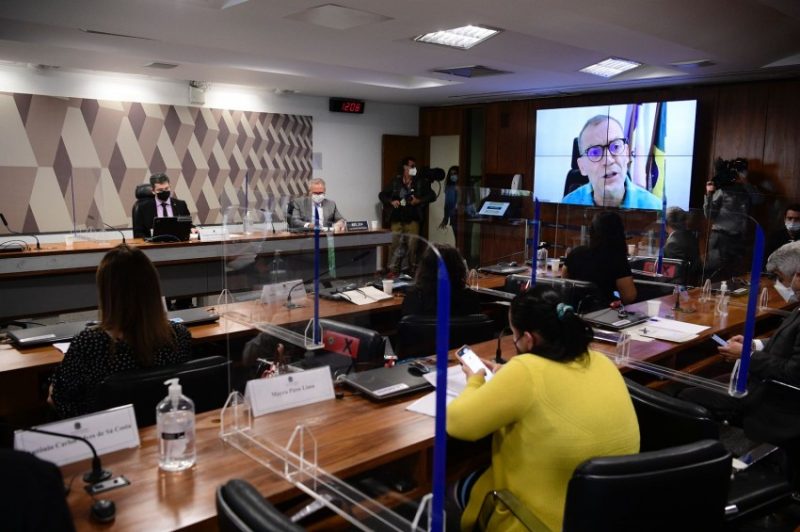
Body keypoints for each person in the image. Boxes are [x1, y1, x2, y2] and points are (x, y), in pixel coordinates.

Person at [447, 286, 639, 531]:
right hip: (605, 516)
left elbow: (458, 423)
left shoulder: (526, 371)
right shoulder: (601, 361)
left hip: (537, 522)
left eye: (514, 336)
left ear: (528, 339)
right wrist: (507, 374)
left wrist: (475, 377)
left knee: (448, 491)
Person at [48, 244, 192, 418]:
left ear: (106, 293)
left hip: (106, 437)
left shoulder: (89, 343)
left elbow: (57, 400)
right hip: (162, 430)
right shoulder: (179, 336)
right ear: (153, 287)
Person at [679, 241, 800, 439]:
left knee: (685, 397)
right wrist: (754, 344)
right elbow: (787, 342)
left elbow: (792, 373)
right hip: (760, 380)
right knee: (698, 383)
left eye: (783, 277)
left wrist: (746, 355)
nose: (791, 283)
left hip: (772, 397)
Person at [562, 115, 661, 210]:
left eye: (616, 147)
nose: (608, 160)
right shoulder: (566, 206)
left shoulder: (655, 207)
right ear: (582, 166)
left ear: (627, 154)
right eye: (595, 152)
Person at [563, 210, 637, 305]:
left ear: (592, 230)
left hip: (573, 311)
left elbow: (564, 283)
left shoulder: (575, 253)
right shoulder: (617, 259)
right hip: (603, 313)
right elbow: (629, 296)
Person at [379, 156, 435, 275]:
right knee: (394, 246)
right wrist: (391, 201)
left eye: (415, 166)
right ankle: (393, 272)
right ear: (405, 167)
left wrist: (419, 200)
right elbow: (382, 195)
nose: (414, 168)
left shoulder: (420, 182)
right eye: (412, 166)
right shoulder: (396, 181)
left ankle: (412, 273)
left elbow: (432, 195)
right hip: (397, 219)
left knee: (412, 247)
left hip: (413, 220)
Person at [703, 157, 757, 278]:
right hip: (721, 236)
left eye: (742, 170)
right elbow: (709, 215)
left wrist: (745, 182)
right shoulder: (723, 189)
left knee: (735, 274)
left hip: (739, 238)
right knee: (714, 273)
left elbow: (759, 200)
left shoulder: (747, 190)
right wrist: (709, 194)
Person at [401, 244, 480, 317]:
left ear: (425, 268)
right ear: (459, 268)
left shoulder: (413, 297)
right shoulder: (471, 298)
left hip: (425, 332)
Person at [132, 173, 193, 238]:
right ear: (153, 191)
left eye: (166, 189)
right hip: (153, 245)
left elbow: (188, 225)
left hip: (178, 243)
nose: (164, 192)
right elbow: (138, 233)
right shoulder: (142, 208)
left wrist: (192, 229)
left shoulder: (181, 205)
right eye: (160, 190)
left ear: (170, 186)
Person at [663, 206, 702, 285]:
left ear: (666, 223)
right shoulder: (691, 236)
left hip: (678, 292)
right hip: (692, 285)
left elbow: (674, 277)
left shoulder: (672, 244)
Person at [764, 203, 800, 268]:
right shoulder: (775, 237)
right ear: (784, 219)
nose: (793, 222)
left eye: (797, 219)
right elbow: (767, 261)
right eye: (790, 218)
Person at [438, 165, 459, 243]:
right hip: (454, 217)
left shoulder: (463, 187)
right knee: (458, 240)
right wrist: (445, 219)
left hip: (465, 216)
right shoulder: (450, 188)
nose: (453, 176)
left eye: (455, 173)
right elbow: (447, 205)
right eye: (451, 174)